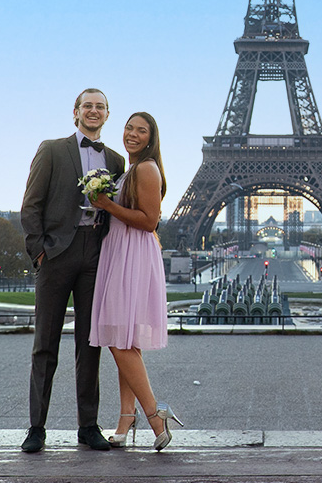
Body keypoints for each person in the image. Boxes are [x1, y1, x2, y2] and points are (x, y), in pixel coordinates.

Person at [19, 88, 126, 454]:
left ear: (107, 114)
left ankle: (88, 426)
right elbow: (31, 204)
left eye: (100, 107)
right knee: (45, 344)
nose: (94, 111)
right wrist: (40, 252)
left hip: (95, 252)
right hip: (56, 253)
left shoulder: (115, 160)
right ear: (76, 112)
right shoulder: (52, 150)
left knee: (90, 343)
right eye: (87, 106)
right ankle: (37, 427)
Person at [88, 112, 184, 451]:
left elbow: (149, 221)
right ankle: (125, 419)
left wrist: (106, 204)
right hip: (123, 251)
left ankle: (155, 414)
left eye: (141, 130)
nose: (132, 134)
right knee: (125, 338)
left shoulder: (146, 169)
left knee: (117, 337)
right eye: (129, 127)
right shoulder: (132, 169)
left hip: (132, 253)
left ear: (150, 138)